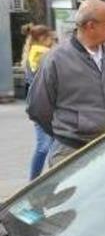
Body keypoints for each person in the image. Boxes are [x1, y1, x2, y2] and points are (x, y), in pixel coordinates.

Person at [27, 0, 105, 167]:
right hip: (74, 154)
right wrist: (68, 133)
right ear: (91, 26)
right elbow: (38, 108)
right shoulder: (56, 59)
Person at [22, 24, 55, 179]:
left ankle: (47, 180)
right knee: (45, 146)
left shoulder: (34, 52)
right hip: (43, 105)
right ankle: (34, 182)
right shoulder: (41, 53)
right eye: (51, 38)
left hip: (42, 105)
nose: (53, 41)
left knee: (51, 145)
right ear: (42, 38)